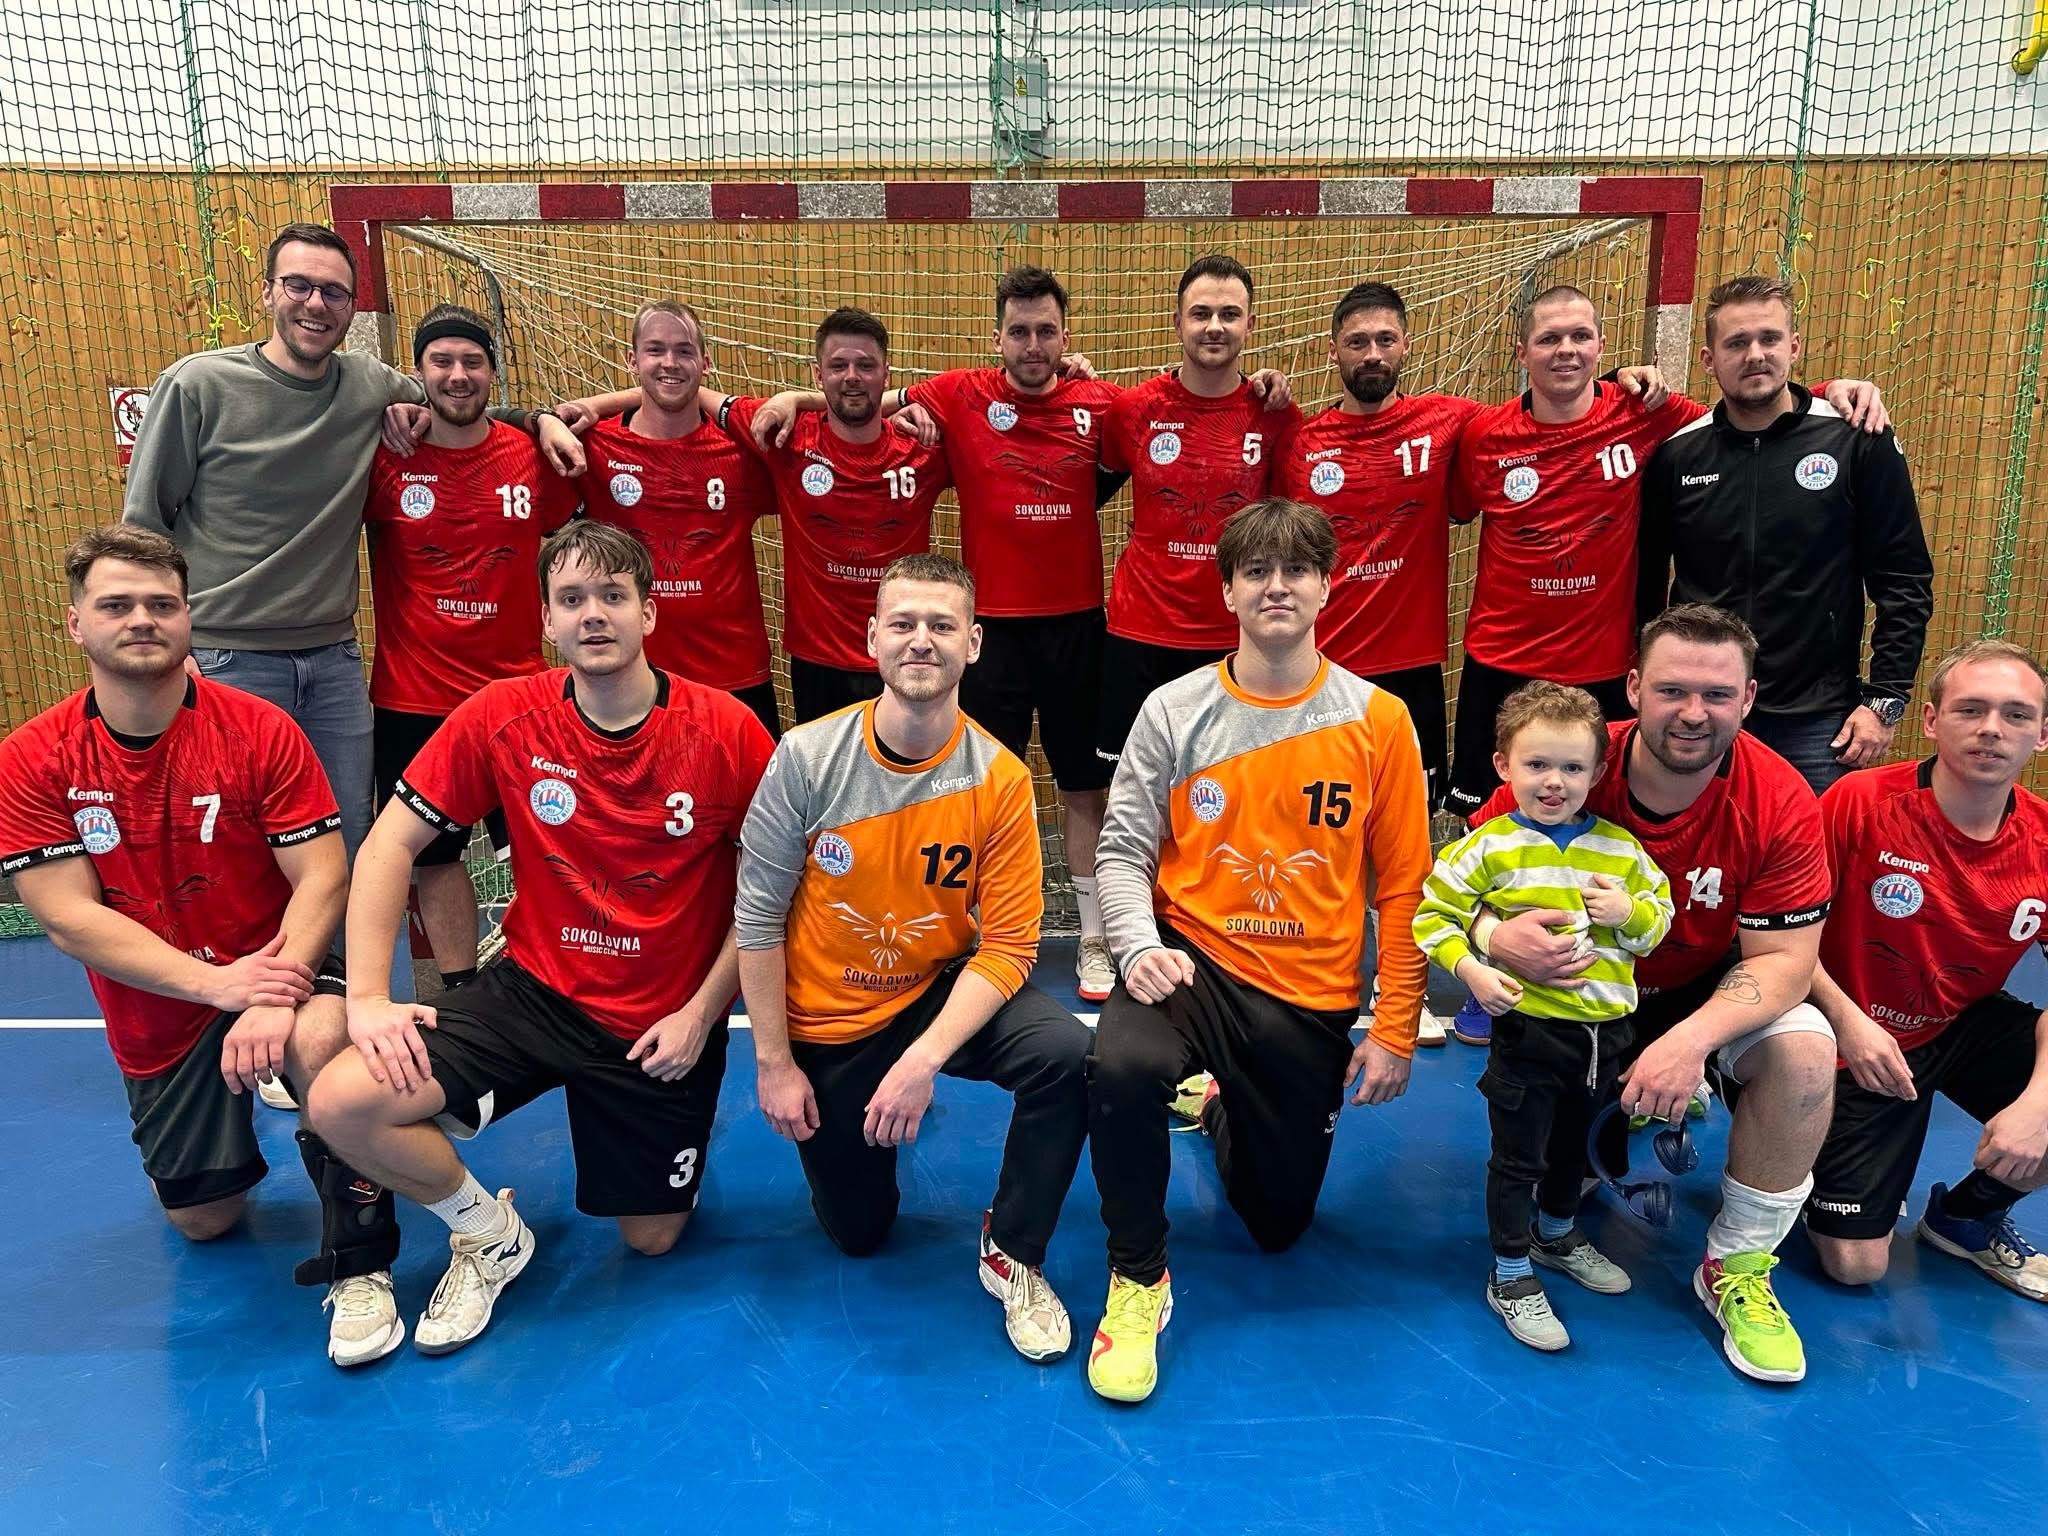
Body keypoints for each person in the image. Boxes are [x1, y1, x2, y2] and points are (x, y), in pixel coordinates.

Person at [306, 522, 773, 1356]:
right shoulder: (501, 714)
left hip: (660, 1023)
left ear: (649, 614)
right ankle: (488, 1231)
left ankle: (478, 1119)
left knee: (652, 1238)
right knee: (341, 1099)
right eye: (572, 599)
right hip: (534, 992)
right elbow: (386, 847)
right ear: (549, 624)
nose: (594, 615)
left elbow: (770, 894)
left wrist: (704, 1015)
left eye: (614, 597)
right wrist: (372, 999)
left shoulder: (728, 730)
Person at [0, 525, 404, 1368]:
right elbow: (69, 917)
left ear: (190, 618)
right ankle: (264, 1099)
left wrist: (267, 994)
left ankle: (361, 1263)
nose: (142, 619)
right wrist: (222, 990)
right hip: (164, 1002)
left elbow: (324, 876)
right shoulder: (33, 758)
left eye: (162, 604)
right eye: (117, 605)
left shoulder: (256, 728)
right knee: (204, 1220)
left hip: (281, 967)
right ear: (76, 624)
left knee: (320, 1039)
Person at [1441, 284, 1884, 1046]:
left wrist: (1839, 393)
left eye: (1581, 335)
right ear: (1521, 354)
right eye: (1549, 339)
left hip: (1599, 663)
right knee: (1499, 824)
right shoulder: (1485, 437)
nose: (1566, 351)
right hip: (1502, 662)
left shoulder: (1648, 415)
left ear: (1604, 347)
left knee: (1598, 828)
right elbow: (1447, 501)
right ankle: (1501, 978)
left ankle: (1621, 974)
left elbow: (1754, 408)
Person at [1086, 497, 1433, 1403]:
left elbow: (1404, 888)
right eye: (1256, 571)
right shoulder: (1173, 708)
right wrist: (1132, 948)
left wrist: (1393, 1026)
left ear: (1328, 585)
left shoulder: (1380, 719)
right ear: (1229, 590)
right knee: (1118, 1065)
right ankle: (1136, 1279)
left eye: (1296, 570)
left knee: (1278, 1225)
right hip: (1190, 964)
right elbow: (1121, 850)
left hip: (1309, 995)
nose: (1276, 586)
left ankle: (1217, 1108)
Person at [734, 553, 1092, 1365]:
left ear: (974, 644)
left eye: (941, 625)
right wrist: (774, 1062)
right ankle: (856, 1133)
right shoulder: (805, 756)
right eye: (903, 623)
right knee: (860, 1236)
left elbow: (1009, 945)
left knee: (1068, 1053)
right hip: (830, 1015)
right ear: (872, 640)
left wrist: (923, 1060)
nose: (921, 640)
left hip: (934, 991)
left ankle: (1016, 1250)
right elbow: (755, 915)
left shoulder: (999, 778)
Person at [1471, 604, 1836, 1383]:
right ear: (1634, 688)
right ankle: (1540, 1233)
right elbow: (1460, 887)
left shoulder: (1778, 798)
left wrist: (1690, 1044)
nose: (1693, 713)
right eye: (1672, 690)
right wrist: (1490, 940)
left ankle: (1735, 1267)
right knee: (1566, 1151)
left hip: (1703, 991)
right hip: (1583, 1004)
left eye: (1716, 693)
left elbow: (1784, 963)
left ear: (1748, 699)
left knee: (1807, 1050)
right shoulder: (1563, 759)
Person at [123, 222, 428, 858]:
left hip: (334, 666)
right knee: (235, 852)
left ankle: (337, 966)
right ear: (267, 293)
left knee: (346, 843)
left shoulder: (370, 385)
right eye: (299, 286)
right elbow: (143, 531)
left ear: (351, 307)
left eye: (334, 293)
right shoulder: (199, 385)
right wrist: (165, 649)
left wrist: (418, 408)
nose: (316, 304)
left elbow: (459, 401)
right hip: (225, 660)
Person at [1414, 683, 1673, 1351]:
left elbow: (1656, 928)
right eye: (1536, 765)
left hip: (1606, 1039)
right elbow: (1430, 917)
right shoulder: (1486, 848)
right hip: (1530, 1036)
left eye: (1572, 768)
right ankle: (1510, 1270)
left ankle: (1556, 1235)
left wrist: (1629, 915)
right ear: (1503, 767)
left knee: (1575, 1149)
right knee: (1519, 1157)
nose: (1554, 783)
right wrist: (1474, 971)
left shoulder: (1621, 852)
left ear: (1597, 773)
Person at [1804, 640, 2048, 1302]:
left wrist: (2039, 1103)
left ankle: (1966, 1220)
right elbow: (1782, 938)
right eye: (1971, 710)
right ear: (1934, 721)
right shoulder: (1860, 802)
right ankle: (1790, 1146)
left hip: (1959, 1020)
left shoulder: (2044, 838)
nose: (1993, 729)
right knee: (1856, 1265)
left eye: (2016, 715)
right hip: (1846, 1036)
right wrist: (1849, 1026)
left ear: (2043, 734)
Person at [1637, 273, 1934, 793]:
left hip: (1817, 722)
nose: (1755, 354)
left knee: (1808, 870)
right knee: (1692, 867)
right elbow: (1645, 590)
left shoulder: (1855, 440)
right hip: (1703, 714)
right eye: (1736, 342)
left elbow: (1903, 579)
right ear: (1709, 360)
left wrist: (1884, 703)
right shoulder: (1677, 456)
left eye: (1769, 339)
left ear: (1793, 346)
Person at [364, 304, 578, 996]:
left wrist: (538, 415)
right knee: (433, 857)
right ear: (418, 373)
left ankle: (552, 982)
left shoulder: (530, 453)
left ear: (492, 373)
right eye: (442, 362)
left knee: (547, 852)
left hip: (518, 694)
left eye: (472, 362)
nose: (458, 376)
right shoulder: (385, 456)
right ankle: (459, 996)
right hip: (412, 697)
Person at [1095, 255, 1304, 770]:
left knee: (1228, 787)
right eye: (1201, 313)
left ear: (1250, 325)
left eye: (1230, 314)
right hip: (1139, 632)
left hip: (1234, 635)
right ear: (1178, 322)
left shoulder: (1275, 415)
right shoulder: (1133, 410)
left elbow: (1286, 525)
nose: (1215, 327)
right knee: (1130, 789)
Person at [702, 307, 952, 723]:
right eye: (838, 366)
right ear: (819, 375)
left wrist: (1070, 368)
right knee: (823, 786)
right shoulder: (787, 436)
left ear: (886, 375)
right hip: (819, 661)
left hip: (903, 656)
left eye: (865, 365)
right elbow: (691, 391)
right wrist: (791, 399)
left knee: (905, 786)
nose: (852, 376)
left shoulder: (924, 450)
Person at [569, 299, 783, 740]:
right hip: (631, 682)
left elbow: (826, 426)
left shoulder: (743, 447)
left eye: (684, 351)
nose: (670, 362)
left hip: (734, 676)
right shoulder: (592, 447)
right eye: (655, 350)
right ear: (632, 360)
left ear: (705, 363)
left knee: (759, 810)